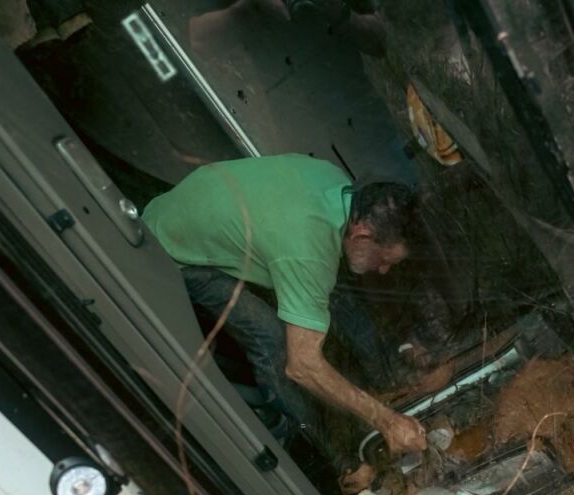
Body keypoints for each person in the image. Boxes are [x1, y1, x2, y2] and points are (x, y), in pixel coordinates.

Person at [142, 153, 428, 462]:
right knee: (273, 340)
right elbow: (302, 366)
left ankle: (389, 380)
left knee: (331, 286)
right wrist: (385, 421)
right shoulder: (308, 249)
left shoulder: (336, 184)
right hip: (171, 249)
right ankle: (331, 457)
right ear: (362, 235)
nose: (384, 270)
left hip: (194, 207)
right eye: (383, 259)